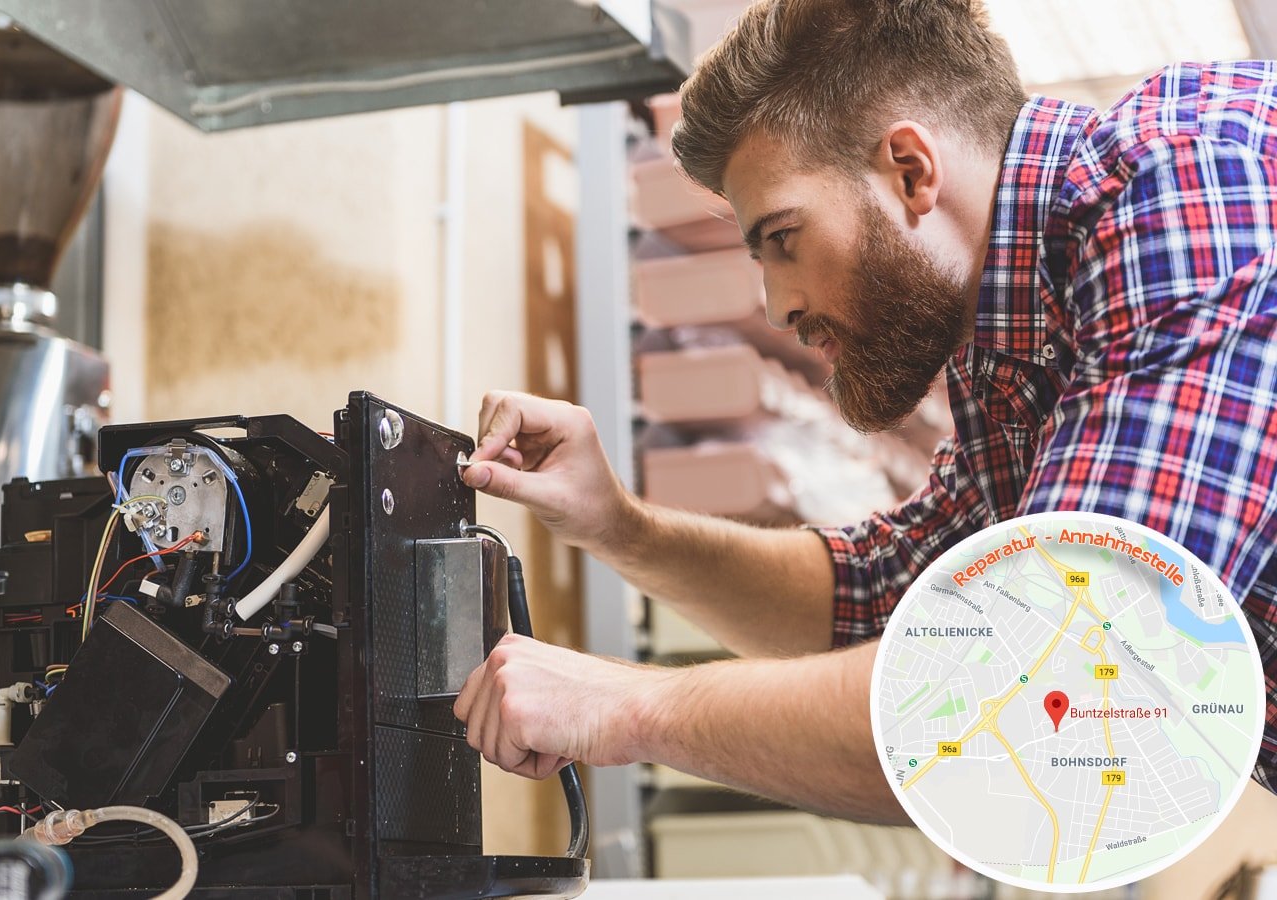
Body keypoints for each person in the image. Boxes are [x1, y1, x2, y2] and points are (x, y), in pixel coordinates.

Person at [452, 0, 1277, 822]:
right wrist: (619, 527)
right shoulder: (1010, 350)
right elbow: (877, 598)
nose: (776, 306)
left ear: (911, 171)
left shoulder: (1186, 190)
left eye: (783, 237)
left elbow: (1062, 691)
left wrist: (624, 708)